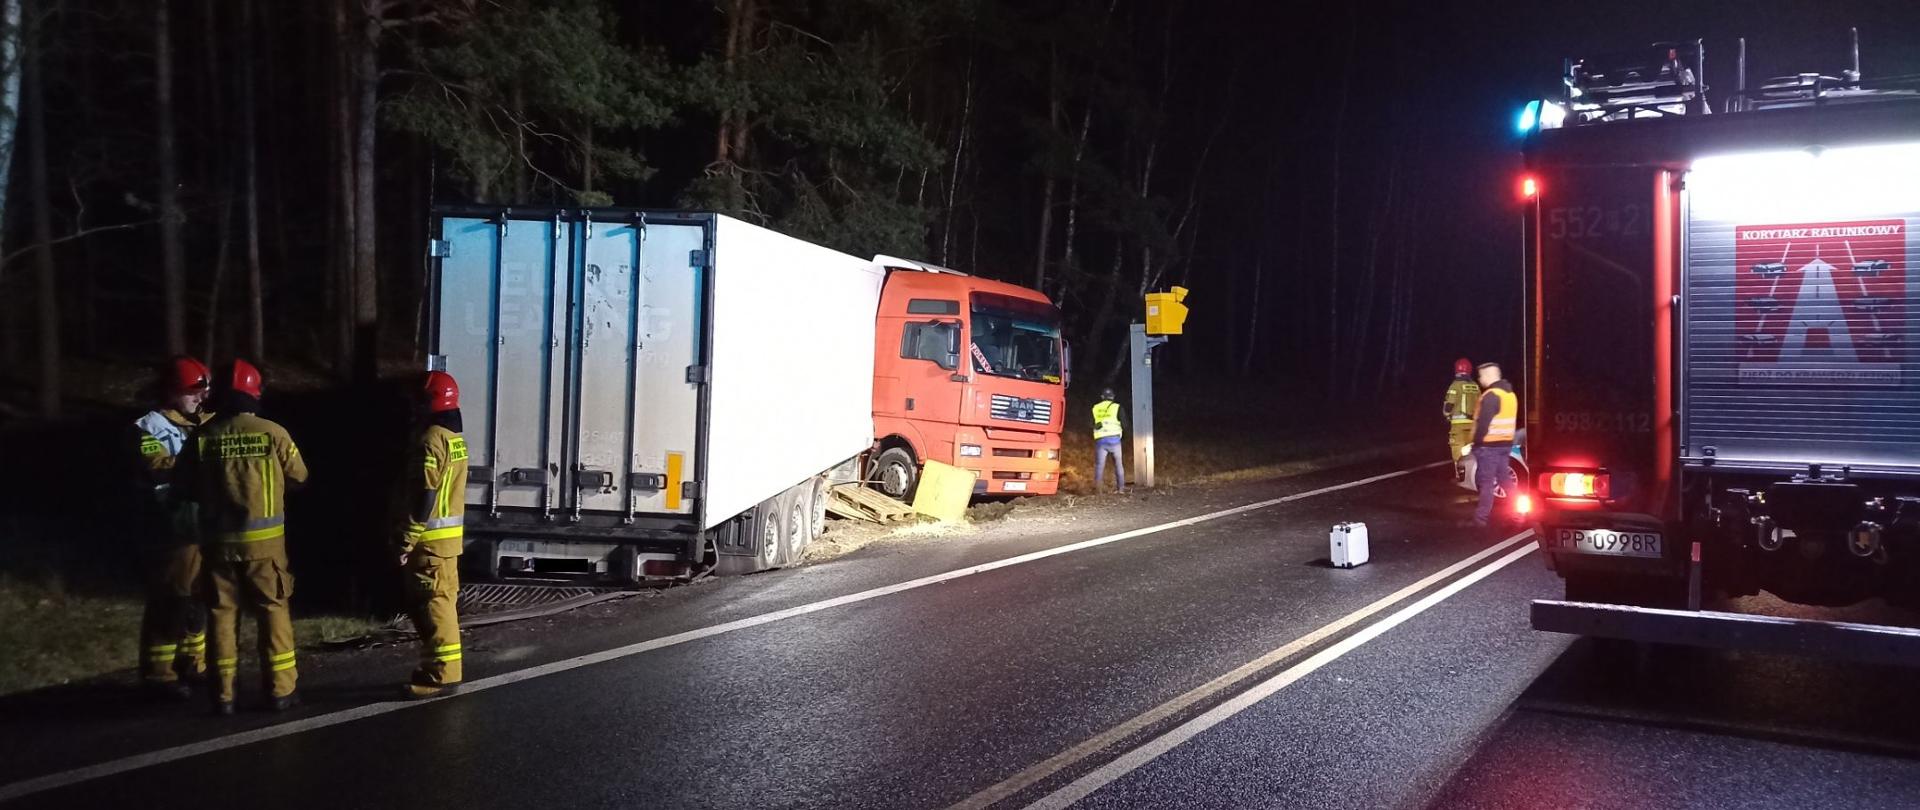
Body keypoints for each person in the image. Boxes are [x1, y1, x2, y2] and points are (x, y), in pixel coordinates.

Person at [176, 359, 309, 714]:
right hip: (265, 548)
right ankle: (281, 690)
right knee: (273, 612)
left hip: (218, 547)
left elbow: (183, 486)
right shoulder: (273, 433)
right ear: (254, 394)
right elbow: (299, 477)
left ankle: (223, 695)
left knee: (221, 615)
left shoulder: (203, 437)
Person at [134, 356, 215, 700]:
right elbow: (156, 464)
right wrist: (202, 462)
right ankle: (159, 673)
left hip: (205, 525)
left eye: (204, 390)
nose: (201, 397)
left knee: (200, 597)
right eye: (192, 391)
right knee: (171, 599)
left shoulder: (205, 422)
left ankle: (193, 662)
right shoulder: (148, 428)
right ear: (170, 391)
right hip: (174, 529)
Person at [397, 371, 469, 699]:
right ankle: (438, 669)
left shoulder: (430, 440)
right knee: (442, 605)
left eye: (420, 400)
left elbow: (424, 494)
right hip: (446, 544)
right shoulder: (454, 439)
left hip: (429, 544)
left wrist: (406, 540)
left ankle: (440, 675)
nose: (415, 406)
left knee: (434, 608)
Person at [1467, 362, 1519, 530]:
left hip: (1489, 446)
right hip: (1505, 445)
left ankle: (1480, 519)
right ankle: (1518, 515)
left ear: (1489, 375)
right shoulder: (1510, 395)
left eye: (1481, 375)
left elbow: (1483, 424)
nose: (1480, 379)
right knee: (1505, 480)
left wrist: (1476, 443)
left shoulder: (1491, 395)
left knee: (1486, 483)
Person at [1442, 358, 1481, 482]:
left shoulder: (1455, 385)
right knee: (1472, 450)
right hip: (1473, 425)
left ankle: (1460, 477)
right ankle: (1475, 475)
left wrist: (1446, 415)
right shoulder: (1475, 386)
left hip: (1458, 426)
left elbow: (1449, 405)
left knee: (1458, 451)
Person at [1091, 388, 1125, 493]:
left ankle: (1098, 490)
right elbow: (1125, 423)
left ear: (1102, 397)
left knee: (1099, 465)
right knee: (1118, 464)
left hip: (1101, 440)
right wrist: (1124, 437)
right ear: (1113, 397)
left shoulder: (1096, 408)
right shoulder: (1117, 407)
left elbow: (1090, 423)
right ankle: (1121, 489)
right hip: (1115, 440)